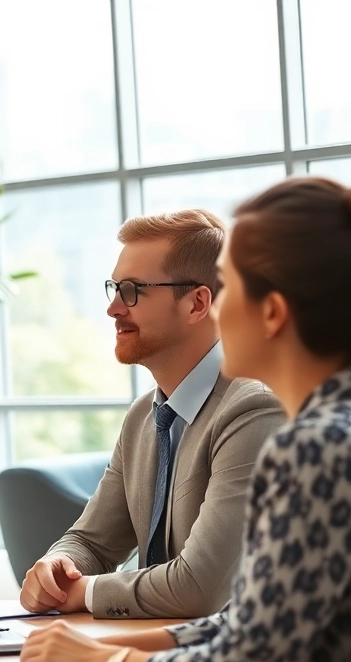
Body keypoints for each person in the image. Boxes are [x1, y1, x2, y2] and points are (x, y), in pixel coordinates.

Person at [19, 158, 351, 662]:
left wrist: (102, 660)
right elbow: (254, 622)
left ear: (273, 312)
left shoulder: (318, 447)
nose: (219, 310)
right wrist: (126, 641)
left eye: (230, 288)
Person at [21, 209, 284, 619]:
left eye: (132, 290)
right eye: (113, 287)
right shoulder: (145, 415)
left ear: (198, 303)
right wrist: (58, 566)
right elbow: (91, 542)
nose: (112, 308)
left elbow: (200, 589)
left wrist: (85, 592)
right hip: (156, 656)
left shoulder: (254, 409)